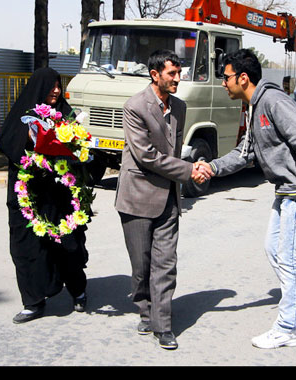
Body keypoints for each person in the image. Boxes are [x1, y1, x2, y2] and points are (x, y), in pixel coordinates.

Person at [196, 49, 296, 349]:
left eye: (226, 77)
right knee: (274, 250)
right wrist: (212, 167)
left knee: (290, 260)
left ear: (243, 78)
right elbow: (245, 153)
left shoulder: (274, 101)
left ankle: (287, 328)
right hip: (285, 191)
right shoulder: (254, 105)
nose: (223, 83)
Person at [114, 50, 207, 350]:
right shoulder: (135, 107)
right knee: (142, 265)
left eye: (179, 73)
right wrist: (188, 171)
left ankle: (163, 325)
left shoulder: (179, 106)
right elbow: (146, 156)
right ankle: (145, 309)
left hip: (169, 197)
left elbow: (173, 148)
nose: (178, 79)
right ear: (155, 75)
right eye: (172, 74)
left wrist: (183, 174)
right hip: (137, 197)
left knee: (165, 263)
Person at [0, 67, 90, 324]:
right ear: (39, 88)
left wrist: (69, 145)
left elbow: (79, 146)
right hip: (28, 196)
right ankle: (33, 301)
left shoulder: (65, 114)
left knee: (68, 245)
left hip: (59, 195)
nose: (57, 91)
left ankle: (78, 291)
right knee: (26, 248)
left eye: (59, 85)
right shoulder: (23, 114)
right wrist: (29, 139)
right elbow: (6, 141)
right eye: (52, 86)